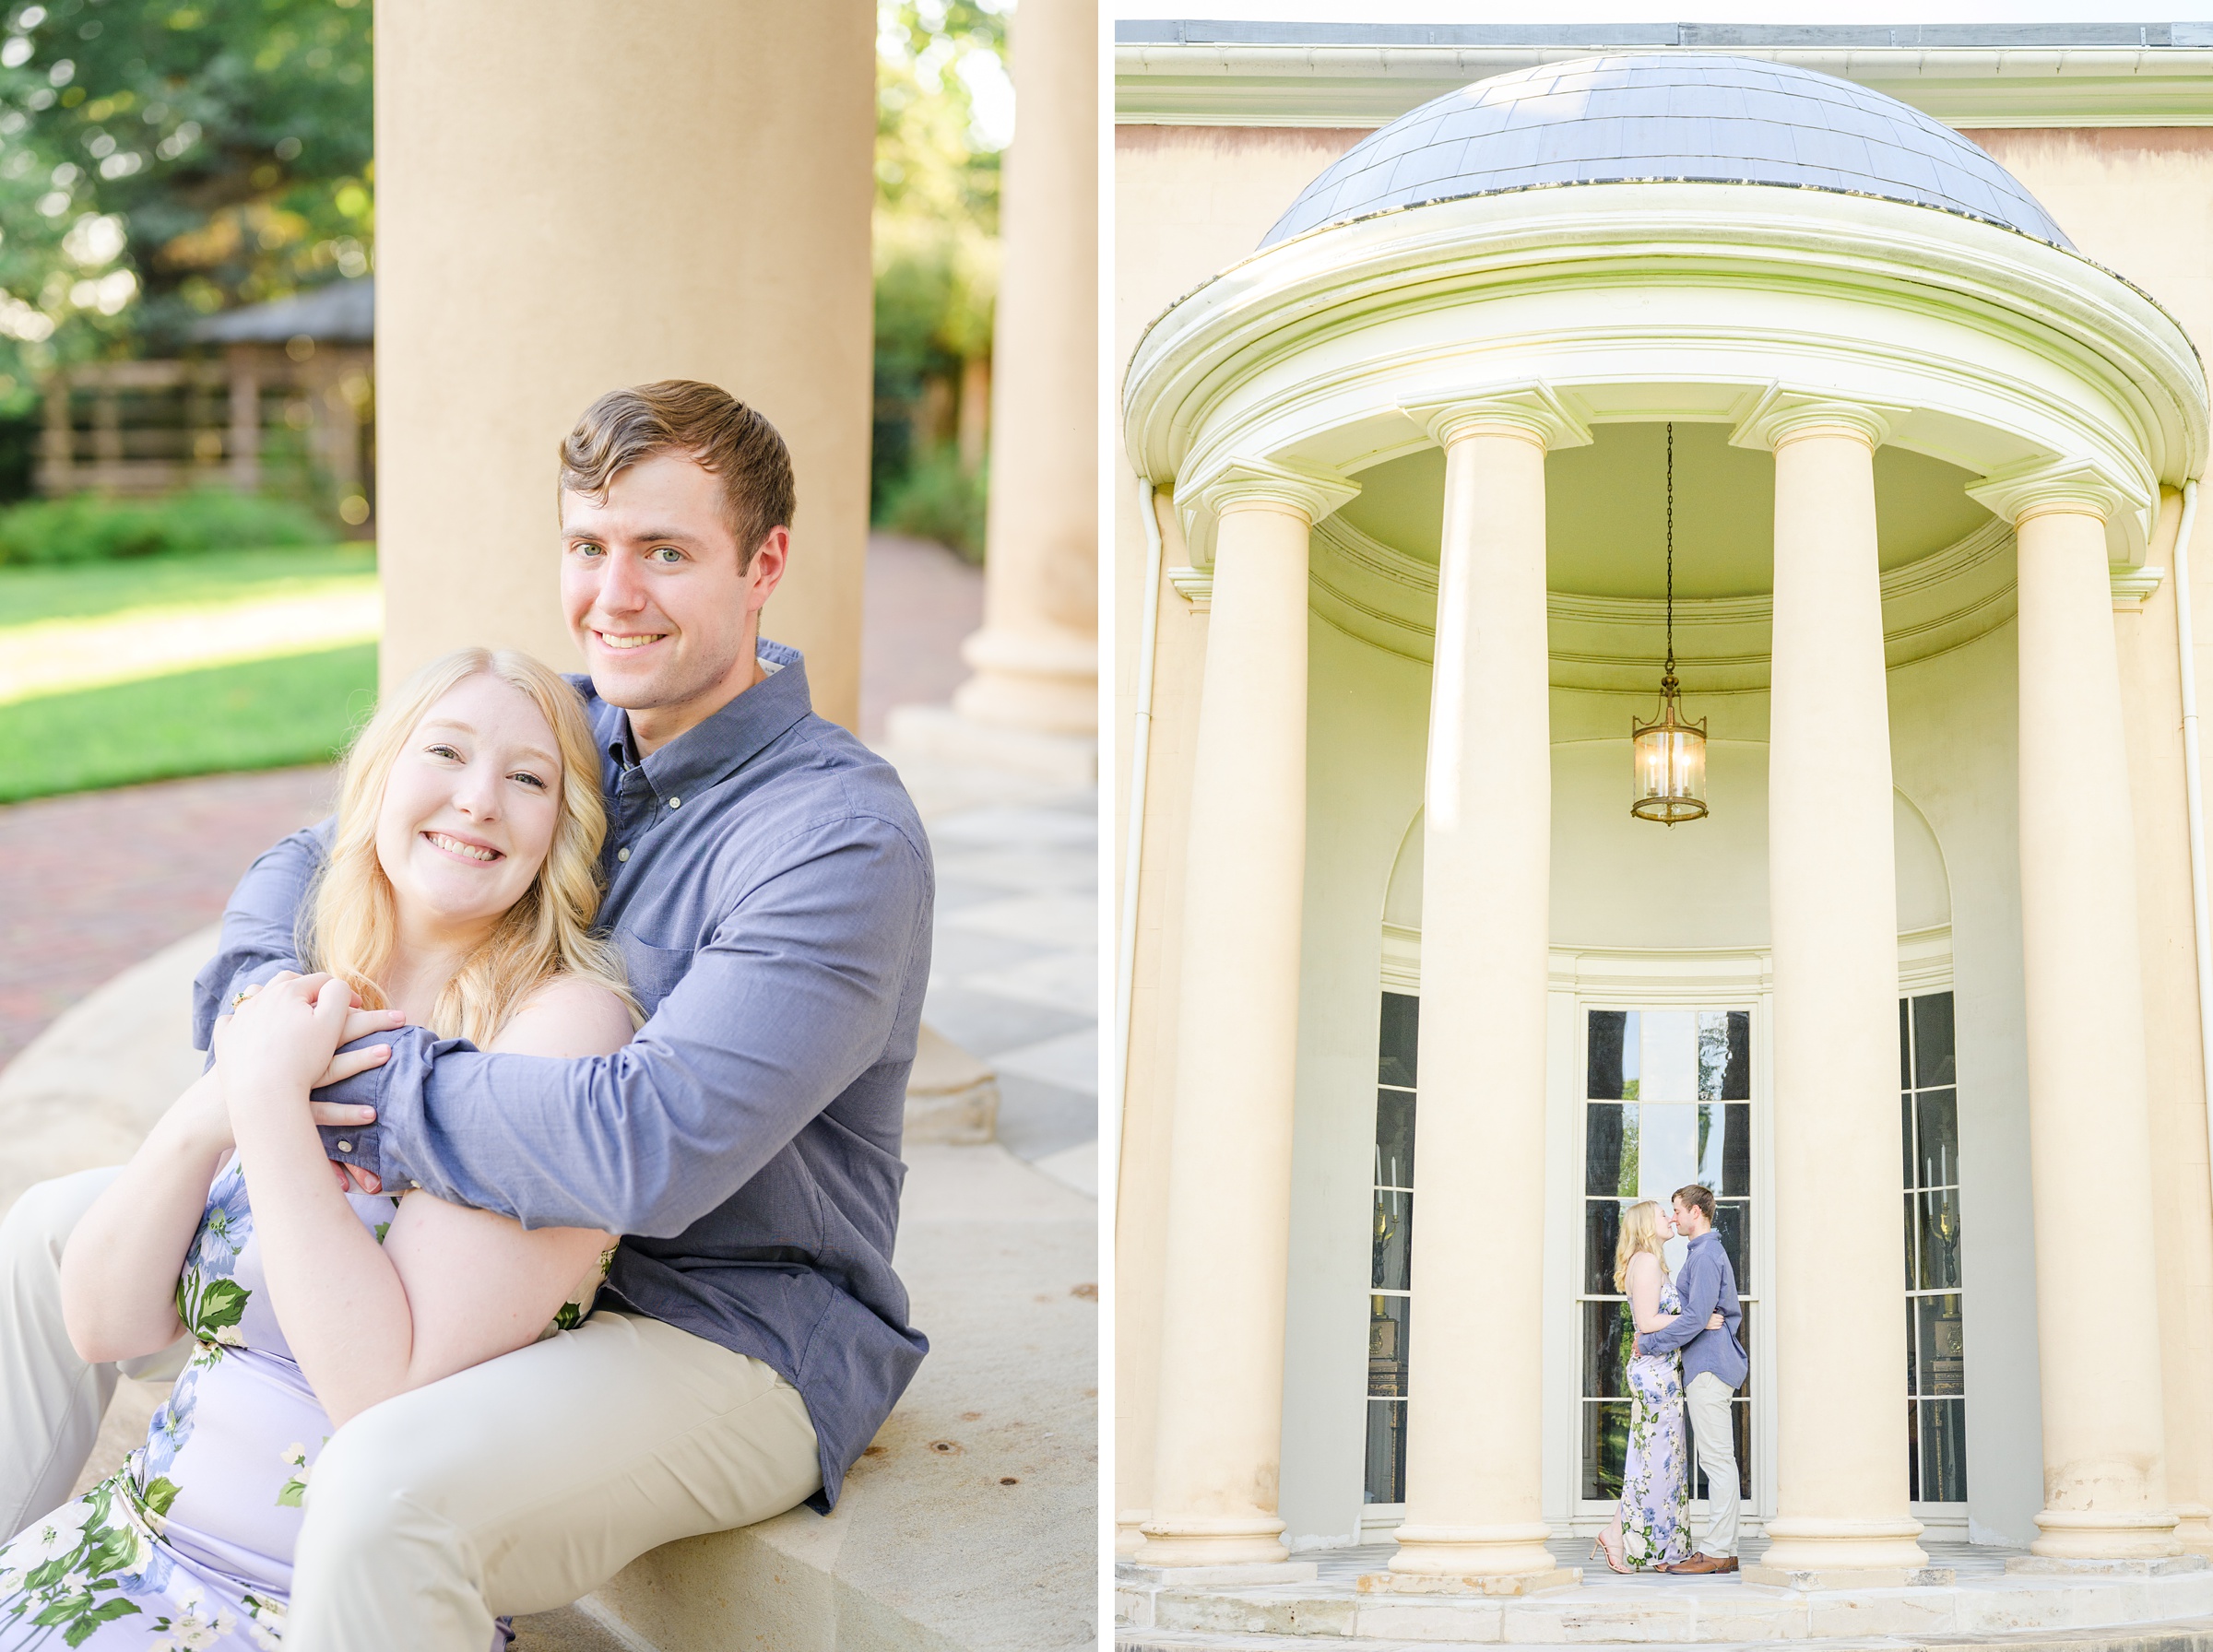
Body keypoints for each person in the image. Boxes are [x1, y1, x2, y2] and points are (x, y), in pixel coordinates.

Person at [0, 382, 934, 1651]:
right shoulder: (570, 724)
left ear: (764, 564)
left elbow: (640, 1147)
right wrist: (263, 1021)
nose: (617, 595)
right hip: (499, 1242)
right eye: (590, 548)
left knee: (391, 1491)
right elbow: (307, 859)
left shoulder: (834, 835)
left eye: (667, 552)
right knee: (54, 1233)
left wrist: (310, 1080)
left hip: (720, 1316)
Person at [0, 645, 642, 1648]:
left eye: (528, 778)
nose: (478, 800)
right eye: (447, 752)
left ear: (564, 830)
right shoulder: (319, 986)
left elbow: (374, 1386)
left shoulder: (563, 1025)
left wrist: (266, 1105)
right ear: (380, 775)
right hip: (122, 1554)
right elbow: (102, 1320)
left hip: (297, 1609)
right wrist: (221, 1099)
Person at [1590, 1198, 1722, 1575]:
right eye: (1663, 1215)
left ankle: (1651, 1546)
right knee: (1655, 1462)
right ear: (1647, 1225)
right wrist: (1698, 1322)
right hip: (1654, 1374)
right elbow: (1647, 1322)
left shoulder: (1652, 1262)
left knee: (1661, 1462)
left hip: (1661, 1369)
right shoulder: (1645, 1262)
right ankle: (1624, 1538)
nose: (1669, 1218)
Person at [1636, 1183, 1747, 1576]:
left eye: (1677, 1211)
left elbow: (1695, 1318)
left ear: (1696, 1212)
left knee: (1717, 1461)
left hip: (1710, 1366)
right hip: (1708, 1364)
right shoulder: (1701, 1254)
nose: (1674, 1218)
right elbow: (1698, 1316)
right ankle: (1726, 1550)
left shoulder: (1705, 1256)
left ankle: (1716, 1550)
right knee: (1719, 1459)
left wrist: (1649, 1343)